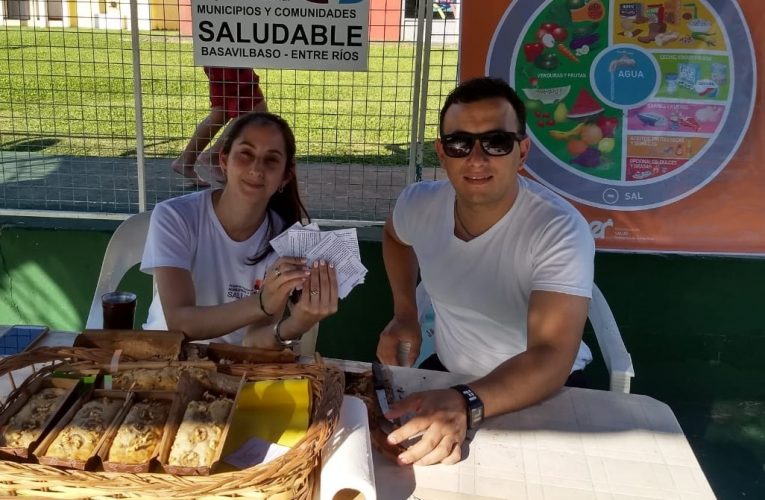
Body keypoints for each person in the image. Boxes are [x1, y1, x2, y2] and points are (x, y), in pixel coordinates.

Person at [376, 77, 595, 466]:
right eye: (460, 144)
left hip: (542, 386)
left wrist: (466, 401)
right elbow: (395, 237)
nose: (476, 159)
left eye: (497, 143)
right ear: (442, 154)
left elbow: (552, 357)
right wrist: (404, 313)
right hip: (449, 375)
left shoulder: (558, 229)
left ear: (522, 151)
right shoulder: (418, 205)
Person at [144, 111, 338, 348]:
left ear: (285, 175)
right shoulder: (174, 216)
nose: (256, 169)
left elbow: (254, 342)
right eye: (245, 154)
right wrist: (261, 303)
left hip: (236, 364)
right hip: (166, 356)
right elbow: (179, 324)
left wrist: (297, 324)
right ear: (224, 161)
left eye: (271, 159)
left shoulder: (285, 237)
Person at [172, 67, 267, 187]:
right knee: (254, 111)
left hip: (217, 58)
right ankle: (213, 154)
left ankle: (186, 161)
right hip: (230, 60)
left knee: (220, 112)